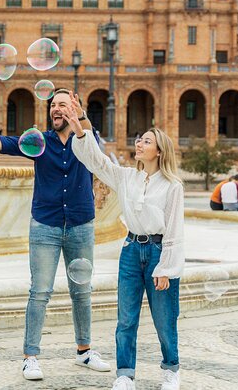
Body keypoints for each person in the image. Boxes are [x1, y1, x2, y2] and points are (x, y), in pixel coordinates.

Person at [0, 89, 110, 381]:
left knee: (82, 290)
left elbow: (93, 139)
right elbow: (5, 143)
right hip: (45, 224)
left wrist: (79, 117)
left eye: (63, 104)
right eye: (53, 105)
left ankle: (84, 351)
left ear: (75, 108)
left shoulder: (87, 140)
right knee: (40, 292)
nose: (56, 109)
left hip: (81, 223)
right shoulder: (40, 141)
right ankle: (30, 356)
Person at [65, 107, 185, 390]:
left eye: (145, 141)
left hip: (158, 252)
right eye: (139, 140)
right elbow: (97, 163)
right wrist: (80, 131)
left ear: (159, 151)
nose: (138, 144)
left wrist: (166, 267)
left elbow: (175, 229)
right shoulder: (127, 177)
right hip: (131, 249)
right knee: (126, 318)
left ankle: (171, 370)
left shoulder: (172, 186)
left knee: (165, 319)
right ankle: (124, 374)